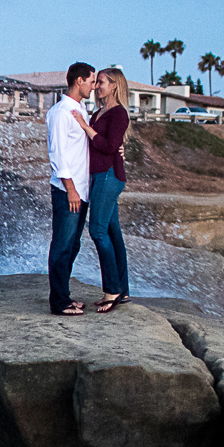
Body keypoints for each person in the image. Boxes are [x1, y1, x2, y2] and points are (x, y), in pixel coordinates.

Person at [45, 62, 97, 315]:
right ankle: (58, 303)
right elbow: (57, 154)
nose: (94, 86)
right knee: (62, 245)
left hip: (82, 189)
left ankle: (64, 296)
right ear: (79, 81)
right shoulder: (60, 113)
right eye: (91, 81)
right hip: (69, 191)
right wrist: (71, 189)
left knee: (73, 245)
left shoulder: (80, 110)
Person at [84, 68, 132, 312]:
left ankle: (112, 291)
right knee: (113, 234)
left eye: (101, 82)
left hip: (109, 176)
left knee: (97, 231)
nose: (96, 86)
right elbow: (110, 145)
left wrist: (85, 127)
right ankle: (122, 290)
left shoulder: (118, 113)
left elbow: (110, 145)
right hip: (99, 175)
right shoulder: (99, 112)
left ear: (114, 86)